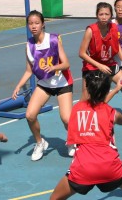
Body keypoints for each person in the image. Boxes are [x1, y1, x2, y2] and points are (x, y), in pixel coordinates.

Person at [50, 71, 122, 200]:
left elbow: (95, 105)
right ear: (106, 90)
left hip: (83, 168)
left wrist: (114, 91)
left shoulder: (76, 109)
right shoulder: (110, 112)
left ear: (87, 88)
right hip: (109, 166)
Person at [11, 10, 74, 161]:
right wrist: (18, 86)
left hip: (62, 83)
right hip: (44, 84)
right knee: (30, 115)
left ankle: (73, 142)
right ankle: (40, 143)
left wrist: (54, 67)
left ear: (43, 24)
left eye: (37, 23)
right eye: (30, 23)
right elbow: (29, 70)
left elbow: (66, 64)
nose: (33, 26)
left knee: (66, 118)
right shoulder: (29, 45)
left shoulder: (53, 40)